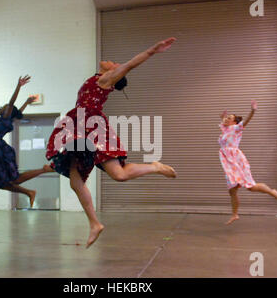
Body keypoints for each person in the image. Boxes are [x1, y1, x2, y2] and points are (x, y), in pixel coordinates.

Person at [46, 38, 178, 248]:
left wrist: (153, 49)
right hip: (79, 125)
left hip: (91, 126)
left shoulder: (107, 79)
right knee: (82, 178)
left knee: (118, 175)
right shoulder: (98, 77)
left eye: (116, 65)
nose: (114, 62)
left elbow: (131, 64)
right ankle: (95, 223)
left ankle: (154, 166)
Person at [0, 75, 54, 208]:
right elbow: (16, 112)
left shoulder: (4, 118)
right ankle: (29, 192)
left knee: (15, 179)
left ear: (7, 112)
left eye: (6, 107)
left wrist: (18, 86)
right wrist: (27, 103)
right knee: (1, 184)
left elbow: (11, 104)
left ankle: (44, 170)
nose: (4, 106)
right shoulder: (5, 119)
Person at [219, 100, 277, 225]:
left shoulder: (236, 128)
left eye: (229, 118)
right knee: (232, 190)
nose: (226, 119)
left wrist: (252, 111)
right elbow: (223, 125)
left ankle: (272, 192)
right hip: (229, 163)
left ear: (234, 122)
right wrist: (223, 117)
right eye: (227, 117)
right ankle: (235, 214)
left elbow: (246, 121)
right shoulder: (226, 130)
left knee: (250, 186)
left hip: (235, 161)